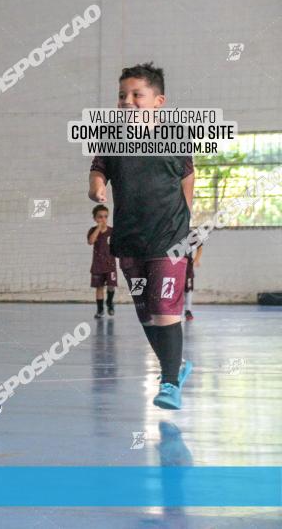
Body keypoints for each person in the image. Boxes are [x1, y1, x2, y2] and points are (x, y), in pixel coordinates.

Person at [88, 63, 193, 410]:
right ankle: (174, 367)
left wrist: (185, 221)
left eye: (137, 94)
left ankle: (170, 382)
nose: (127, 101)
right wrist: (97, 190)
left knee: (164, 309)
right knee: (146, 313)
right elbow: (99, 169)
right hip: (130, 242)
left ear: (158, 101)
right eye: (122, 95)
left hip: (169, 240)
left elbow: (187, 177)